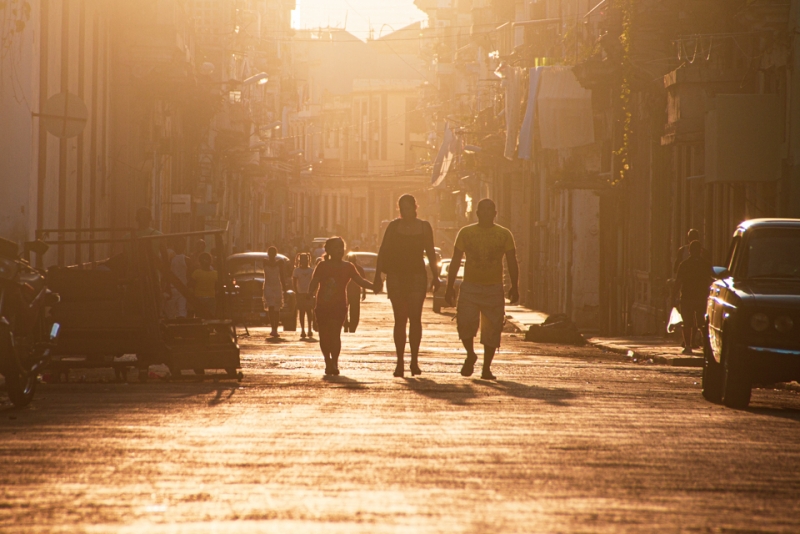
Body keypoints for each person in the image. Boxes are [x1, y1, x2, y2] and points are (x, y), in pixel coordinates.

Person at [445, 199, 519, 380]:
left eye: (490, 211)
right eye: (482, 211)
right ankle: (470, 354)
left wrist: (515, 286)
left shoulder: (504, 234)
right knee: (465, 324)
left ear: (495, 213)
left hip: (494, 288)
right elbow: (455, 260)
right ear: (477, 213)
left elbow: (511, 261)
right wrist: (449, 286)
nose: (486, 214)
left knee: (492, 329)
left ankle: (486, 368)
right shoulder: (466, 233)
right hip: (469, 286)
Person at [374, 194, 440, 377]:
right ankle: (400, 362)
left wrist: (436, 276)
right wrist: (377, 277)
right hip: (395, 276)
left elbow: (431, 251)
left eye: (409, 207)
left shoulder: (424, 227)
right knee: (400, 319)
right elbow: (383, 250)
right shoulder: (393, 227)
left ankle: (414, 361)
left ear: (415, 207)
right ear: (399, 209)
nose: (406, 211)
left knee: (415, 318)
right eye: (402, 208)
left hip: (417, 276)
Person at [309, 237, 373, 376]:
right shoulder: (322, 265)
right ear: (329, 250)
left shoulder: (348, 266)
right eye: (336, 247)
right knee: (324, 335)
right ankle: (327, 361)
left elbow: (360, 281)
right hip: (323, 305)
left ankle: (335, 362)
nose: (339, 250)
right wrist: (309, 295)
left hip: (339, 305)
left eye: (341, 247)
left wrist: (373, 286)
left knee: (335, 334)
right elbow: (314, 282)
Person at [672, 240, 713, 355]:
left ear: (689, 251)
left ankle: (688, 346)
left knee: (687, 323)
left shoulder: (684, 264)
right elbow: (711, 280)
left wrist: (673, 295)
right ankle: (706, 345)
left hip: (687, 297)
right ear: (700, 251)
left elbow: (678, 281)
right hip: (702, 297)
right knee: (702, 323)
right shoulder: (706, 264)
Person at [263, 246, 287, 338]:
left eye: (273, 253)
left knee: (277, 309)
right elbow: (271, 264)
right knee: (271, 307)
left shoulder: (279, 263)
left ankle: (275, 329)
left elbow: (282, 276)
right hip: (268, 286)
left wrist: (284, 289)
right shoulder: (265, 261)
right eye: (270, 253)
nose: (272, 255)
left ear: (275, 254)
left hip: (277, 286)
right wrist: (279, 262)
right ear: (268, 254)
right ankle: (273, 328)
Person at [293, 253, 315, 339]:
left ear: (308, 260)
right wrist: (296, 292)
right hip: (300, 293)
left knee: (309, 312)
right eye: (302, 259)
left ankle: (310, 329)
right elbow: (294, 282)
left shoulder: (311, 270)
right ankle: (302, 330)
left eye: (305, 259)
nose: (304, 261)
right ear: (299, 260)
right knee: (301, 312)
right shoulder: (296, 271)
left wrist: (312, 292)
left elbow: (313, 282)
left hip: (308, 293)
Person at [344, 253, 367, 333]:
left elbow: (363, 281)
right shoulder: (357, 268)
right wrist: (364, 292)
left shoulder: (347, 268)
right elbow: (363, 281)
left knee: (348, 310)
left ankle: (349, 325)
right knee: (352, 310)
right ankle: (350, 325)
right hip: (348, 292)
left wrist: (364, 292)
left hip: (352, 292)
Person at [190, 252, 218, 318]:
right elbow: (217, 288)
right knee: (211, 318)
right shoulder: (215, 274)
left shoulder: (196, 273)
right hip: (211, 298)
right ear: (210, 262)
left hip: (199, 298)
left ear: (200, 262)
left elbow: (191, 285)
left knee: (199, 318)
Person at [167, 239, 188, 318]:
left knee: (170, 311)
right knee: (182, 310)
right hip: (182, 288)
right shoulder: (186, 259)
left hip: (172, 287)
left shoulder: (170, 259)